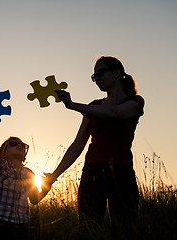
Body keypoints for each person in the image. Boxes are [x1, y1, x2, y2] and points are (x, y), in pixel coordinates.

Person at [49, 56, 144, 236]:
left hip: (121, 173)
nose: (96, 78)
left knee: (124, 231)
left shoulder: (135, 102)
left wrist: (72, 105)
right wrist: (53, 176)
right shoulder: (93, 106)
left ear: (117, 74)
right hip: (92, 174)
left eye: (100, 73)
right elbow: (78, 145)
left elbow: (115, 113)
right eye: (94, 77)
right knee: (88, 230)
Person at [0, 115, 52, 240]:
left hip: (22, 224)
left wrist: (48, 185)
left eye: (23, 145)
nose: (20, 146)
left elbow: (34, 199)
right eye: (13, 143)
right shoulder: (2, 166)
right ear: (3, 153)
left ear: (25, 155)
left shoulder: (29, 173)